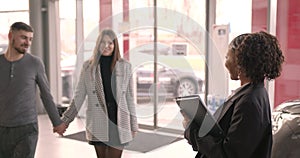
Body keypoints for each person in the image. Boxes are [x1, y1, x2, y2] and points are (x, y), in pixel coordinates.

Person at [182, 31, 285, 158]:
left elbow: (228, 154)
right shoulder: (254, 93)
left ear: (240, 61)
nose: (225, 63)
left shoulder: (249, 102)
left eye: (227, 57)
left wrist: (191, 130)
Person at [61, 28, 138, 158]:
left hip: (119, 120)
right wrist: (65, 120)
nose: (107, 46)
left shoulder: (125, 66)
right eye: (103, 42)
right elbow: (79, 96)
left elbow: (129, 98)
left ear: (115, 45)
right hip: (98, 120)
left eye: (110, 43)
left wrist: (133, 124)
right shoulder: (88, 67)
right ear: (98, 44)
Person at [0, 22, 66, 158]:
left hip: (27, 127)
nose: (28, 42)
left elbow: (46, 94)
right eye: (23, 38)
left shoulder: (35, 63)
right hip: (2, 127)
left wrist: (57, 122)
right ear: (11, 36)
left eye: (30, 39)